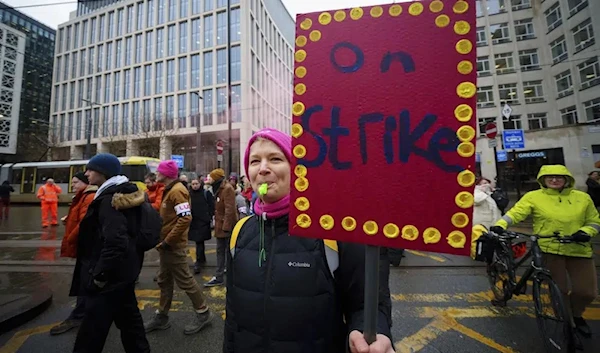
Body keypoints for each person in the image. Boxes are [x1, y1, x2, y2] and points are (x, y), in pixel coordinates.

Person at [224, 128, 394, 353]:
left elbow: (367, 304)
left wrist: (370, 331)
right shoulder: (240, 232)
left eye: (275, 159)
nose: (263, 168)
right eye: (255, 161)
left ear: (297, 169)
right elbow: (233, 316)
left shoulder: (331, 230)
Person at [491, 165, 600, 344]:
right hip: (549, 248)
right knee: (560, 291)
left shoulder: (582, 197)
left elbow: (594, 221)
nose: (555, 180)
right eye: (550, 177)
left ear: (567, 179)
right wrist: (501, 224)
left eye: (559, 177)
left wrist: (586, 232)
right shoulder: (534, 197)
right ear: (543, 179)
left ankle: (575, 314)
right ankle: (568, 323)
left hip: (579, 248)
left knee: (587, 292)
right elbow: (516, 213)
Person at [71, 153, 150, 353]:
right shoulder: (124, 193)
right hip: (124, 273)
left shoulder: (108, 200)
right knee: (131, 326)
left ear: (103, 172)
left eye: (90, 169)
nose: (86, 173)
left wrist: (99, 275)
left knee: (90, 333)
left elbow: (116, 241)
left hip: (109, 279)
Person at [144, 160, 212, 335]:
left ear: (166, 174)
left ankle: (203, 312)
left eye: (159, 171)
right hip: (166, 246)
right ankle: (162, 315)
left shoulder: (178, 191)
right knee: (164, 280)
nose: (155, 174)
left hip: (173, 246)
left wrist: (168, 241)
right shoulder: (169, 190)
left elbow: (185, 218)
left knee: (185, 281)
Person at [50, 173, 98, 335]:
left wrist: (71, 238)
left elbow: (85, 222)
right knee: (85, 281)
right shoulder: (82, 196)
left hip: (88, 248)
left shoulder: (88, 197)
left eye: (76, 182)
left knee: (86, 282)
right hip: (86, 247)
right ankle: (82, 313)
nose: (73, 185)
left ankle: (80, 316)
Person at [204, 168, 237, 287]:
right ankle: (224, 272)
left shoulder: (227, 189)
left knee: (224, 251)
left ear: (216, 178)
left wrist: (226, 226)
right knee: (222, 251)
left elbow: (230, 209)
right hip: (220, 224)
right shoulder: (218, 188)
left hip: (225, 226)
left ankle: (220, 276)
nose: (209, 179)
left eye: (211, 177)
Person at [189, 177, 214, 274]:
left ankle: (199, 262)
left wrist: (209, 217)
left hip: (203, 221)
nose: (195, 186)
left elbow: (212, 205)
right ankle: (201, 258)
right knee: (198, 241)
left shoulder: (206, 193)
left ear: (200, 184)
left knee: (199, 241)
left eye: (196, 184)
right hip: (193, 221)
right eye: (193, 184)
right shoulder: (189, 194)